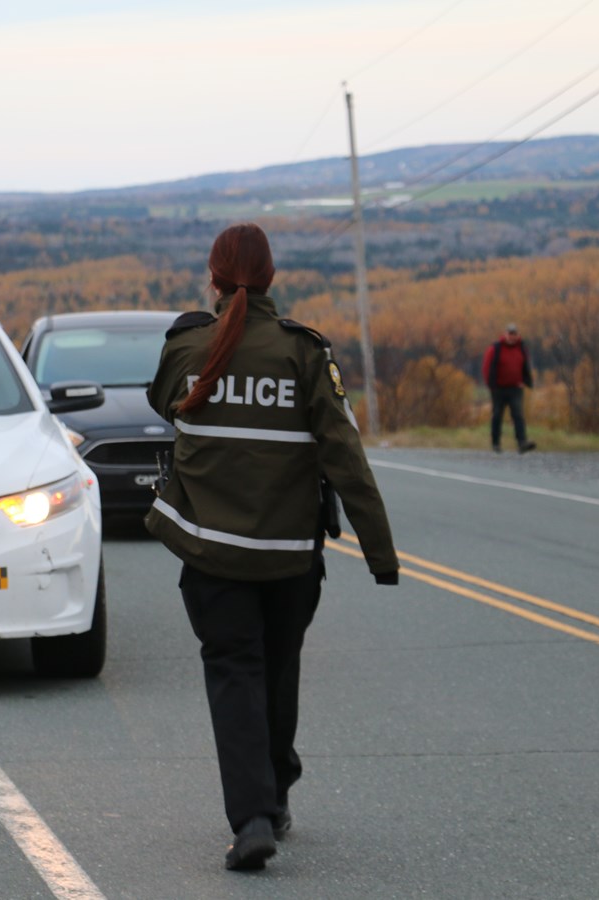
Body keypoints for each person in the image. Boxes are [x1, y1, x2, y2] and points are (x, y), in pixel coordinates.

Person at [144, 223, 399, 872]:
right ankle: (276, 793)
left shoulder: (187, 347)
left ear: (214, 276)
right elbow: (345, 456)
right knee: (277, 669)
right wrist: (380, 553)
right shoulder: (304, 354)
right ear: (272, 278)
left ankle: (254, 817)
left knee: (236, 673)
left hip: (212, 556)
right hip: (290, 557)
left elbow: (159, 402)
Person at [481, 324, 536, 453]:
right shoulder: (495, 348)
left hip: (515, 388)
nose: (512, 336)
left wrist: (525, 381)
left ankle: (522, 442)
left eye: (514, 334)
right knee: (497, 415)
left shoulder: (521, 348)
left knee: (518, 415)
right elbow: (486, 367)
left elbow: (526, 365)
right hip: (498, 389)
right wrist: (490, 384)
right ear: (505, 334)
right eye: (510, 333)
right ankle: (496, 443)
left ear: (517, 335)